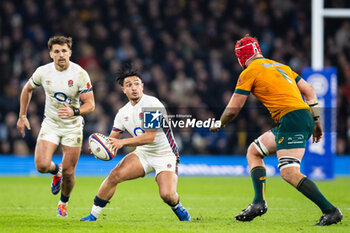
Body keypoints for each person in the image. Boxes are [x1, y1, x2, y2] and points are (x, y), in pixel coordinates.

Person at [210, 35, 342, 226]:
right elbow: (310, 90)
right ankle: (258, 203)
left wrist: (220, 123)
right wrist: (316, 121)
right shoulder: (281, 66)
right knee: (254, 151)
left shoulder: (249, 72)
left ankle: (331, 211)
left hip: (292, 119)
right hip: (299, 117)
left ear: (241, 56)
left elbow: (234, 108)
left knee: (289, 172)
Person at [80, 64, 190, 222]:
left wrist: (122, 143)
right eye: (129, 85)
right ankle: (93, 215)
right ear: (123, 90)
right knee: (114, 175)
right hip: (143, 154)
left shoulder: (151, 104)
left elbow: (149, 137)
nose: (134, 88)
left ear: (142, 86)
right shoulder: (122, 113)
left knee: (167, 195)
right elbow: (113, 140)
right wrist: (102, 148)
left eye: (137, 84)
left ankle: (177, 207)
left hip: (165, 155)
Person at [17, 36, 95, 217]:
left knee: (70, 172)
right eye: (57, 51)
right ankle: (56, 171)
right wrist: (22, 116)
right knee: (42, 165)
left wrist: (74, 112)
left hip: (73, 126)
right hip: (51, 123)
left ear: (70, 53)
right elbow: (27, 89)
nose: (61, 54)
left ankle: (63, 203)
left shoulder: (80, 74)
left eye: (64, 51)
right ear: (51, 54)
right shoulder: (43, 72)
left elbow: (90, 105)